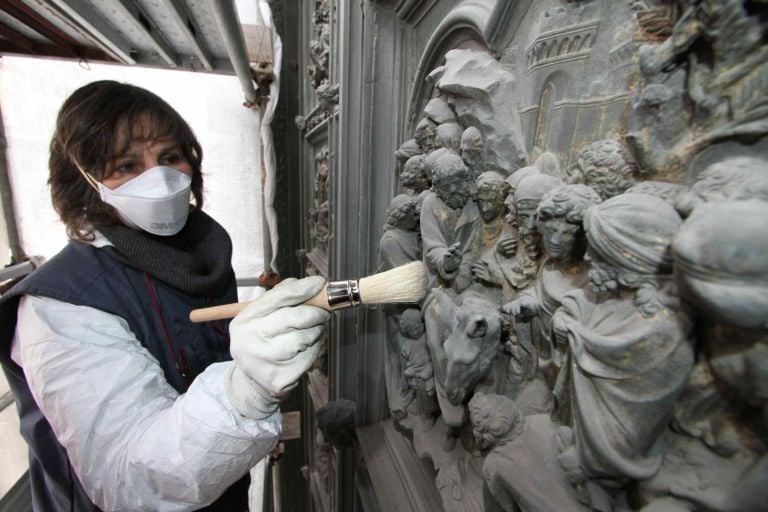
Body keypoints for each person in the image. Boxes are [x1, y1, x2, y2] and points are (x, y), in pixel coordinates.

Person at [0, 81, 330, 511]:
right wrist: (247, 389)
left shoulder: (199, 256)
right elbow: (128, 480)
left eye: (169, 157)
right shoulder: (59, 307)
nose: (158, 177)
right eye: (126, 165)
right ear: (83, 182)